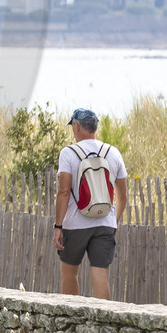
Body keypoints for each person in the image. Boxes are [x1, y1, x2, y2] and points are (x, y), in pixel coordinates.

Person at [52, 107, 129, 299]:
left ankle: (72, 320)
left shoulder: (68, 153)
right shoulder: (113, 153)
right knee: (100, 275)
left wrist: (58, 226)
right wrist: (115, 220)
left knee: (70, 272)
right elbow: (123, 195)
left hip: (75, 224)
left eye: (72, 126)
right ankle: (102, 324)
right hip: (105, 223)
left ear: (77, 127)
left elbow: (63, 193)